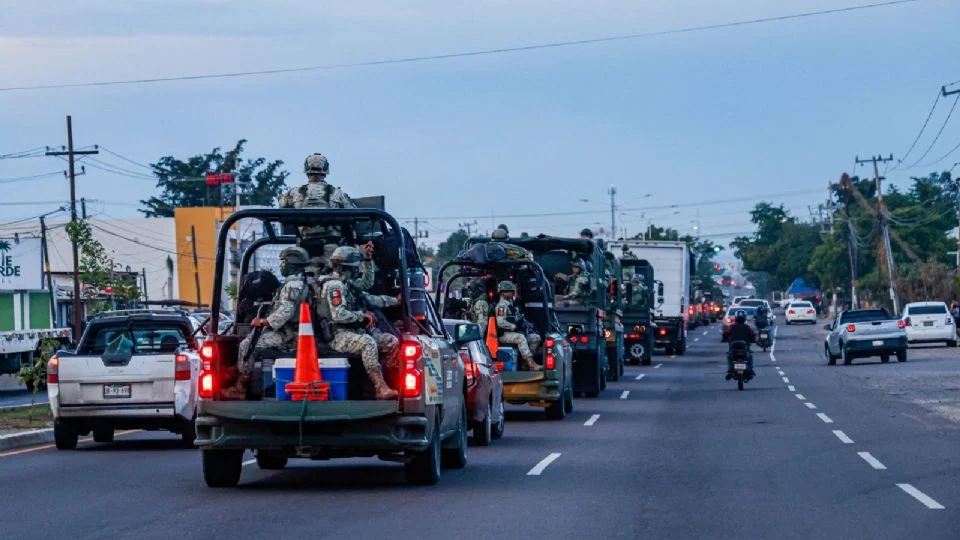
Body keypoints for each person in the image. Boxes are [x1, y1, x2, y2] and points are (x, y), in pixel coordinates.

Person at [321, 246, 401, 399]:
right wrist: (362, 316)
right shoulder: (334, 286)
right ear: (348, 268)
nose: (358, 270)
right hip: (339, 334)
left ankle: (389, 383)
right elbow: (338, 315)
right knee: (367, 343)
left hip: (354, 332)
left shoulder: (348, 285)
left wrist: (395, 301)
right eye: (357, 267)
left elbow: (370, 295)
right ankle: (380, 387)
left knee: (391, 341)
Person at [234, 246, 311, 398]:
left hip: (289, 335)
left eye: (284, 262)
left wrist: (264, 321)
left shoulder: (293, 285)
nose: (281, 265)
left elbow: (285, 312)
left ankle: (240, 387)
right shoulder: (294, 283)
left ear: (292, 264)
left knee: (246, 345)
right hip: (288, 331)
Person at [278, 153, 357, 253]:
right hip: (333, 250)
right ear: (326, 171)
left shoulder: (294, 193)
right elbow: (353, 213)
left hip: (304, 249)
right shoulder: (338, 193)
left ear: (306, 170)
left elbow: (281, 208)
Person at [495, 281, 542, 370]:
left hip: (512, 333)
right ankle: (532, 364)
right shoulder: (501, 306)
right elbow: (500, 322)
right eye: (510, 291)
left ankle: (525, 363)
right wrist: (513, 326)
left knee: (535, 338)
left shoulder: (510, 304)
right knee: (520, 338)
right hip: (504, 334)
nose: (512, 293)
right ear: (503, 292)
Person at [725, 310, 756, 380]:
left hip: (734, 346)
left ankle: (730, 370)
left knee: (729, 356)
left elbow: (726, 333)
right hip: (744, 346)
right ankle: (750, 369)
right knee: (750, 356)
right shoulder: (747, 327)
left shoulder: (731, 327)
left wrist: (725, 339)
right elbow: (752, 335)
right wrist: (753, 340)